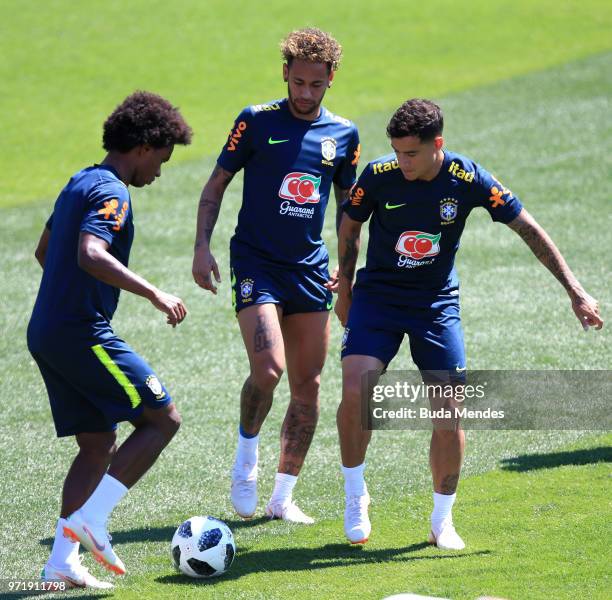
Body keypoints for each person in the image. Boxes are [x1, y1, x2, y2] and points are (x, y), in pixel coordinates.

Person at [335, 98, 603, 547]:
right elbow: (349, 226)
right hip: (378, 298)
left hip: (435, 304)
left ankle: (442, 519)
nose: (402, 162)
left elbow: (529, 229)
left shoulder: (468, 178)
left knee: (450, 413)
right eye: (397, 152)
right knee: (356, 387)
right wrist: (344, 290)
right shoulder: (378, 176)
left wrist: (575, 291)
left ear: (437, 144)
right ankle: (355, 494)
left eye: (411, 153)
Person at [192, 28, 360, 523]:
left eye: (316, 84)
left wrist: (344, 271)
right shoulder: (255, 121)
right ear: (285, 73)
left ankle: (282, 497)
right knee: (269, 370)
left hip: (308, 271)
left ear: (332, 79)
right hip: (257, 263)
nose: (305, 94)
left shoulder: (343, 135)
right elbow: (216, 184)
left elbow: (349, 211)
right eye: (298, 82)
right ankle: (246, 460)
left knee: (308, 387)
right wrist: (202, 247)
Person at [28, 91, 192, 588]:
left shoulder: (80, 181)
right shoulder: (113, 191)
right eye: (161, 160)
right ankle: (93, 519)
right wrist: (154, 293)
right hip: (80, 333)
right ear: (143, 146)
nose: (159, 173)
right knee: (163, 418)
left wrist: (73, 295)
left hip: (47, 331)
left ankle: (61, 560)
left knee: (97, 444)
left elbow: (44, 251)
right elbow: (90, 253)